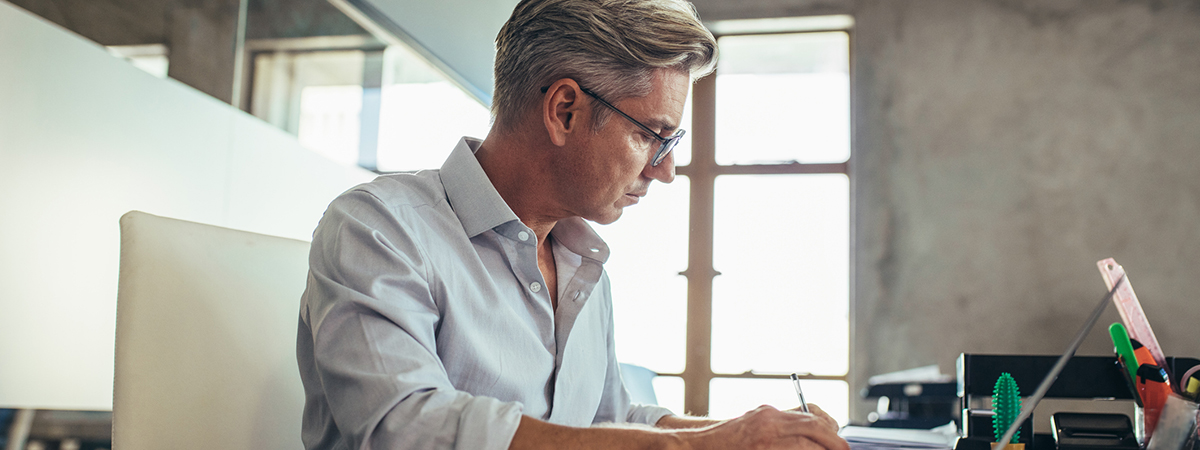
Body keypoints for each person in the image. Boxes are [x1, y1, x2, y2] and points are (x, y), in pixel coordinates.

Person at [296, 0, 852, 449]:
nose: (666, 172)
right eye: (653, 136)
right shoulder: (378, 229)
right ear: (565, 110)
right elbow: (407, 428)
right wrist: (700, 448)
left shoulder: (582, 264)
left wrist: (754, 433)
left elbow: (607, 417)